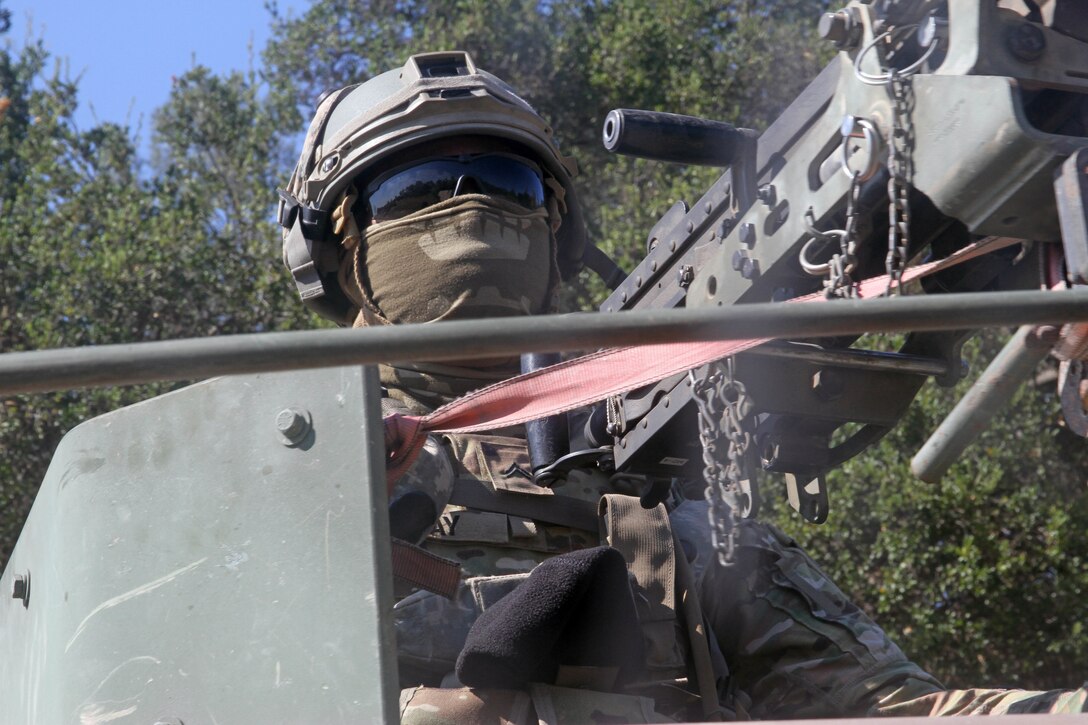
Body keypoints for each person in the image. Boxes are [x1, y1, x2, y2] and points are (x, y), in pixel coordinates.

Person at [278, 51, 1088, 721]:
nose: (472, 207)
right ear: (329, 248)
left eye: (507, 185)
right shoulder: (280, 475)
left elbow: (889, 710)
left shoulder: (655, 497)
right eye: (414, 192)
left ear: (555, 238)